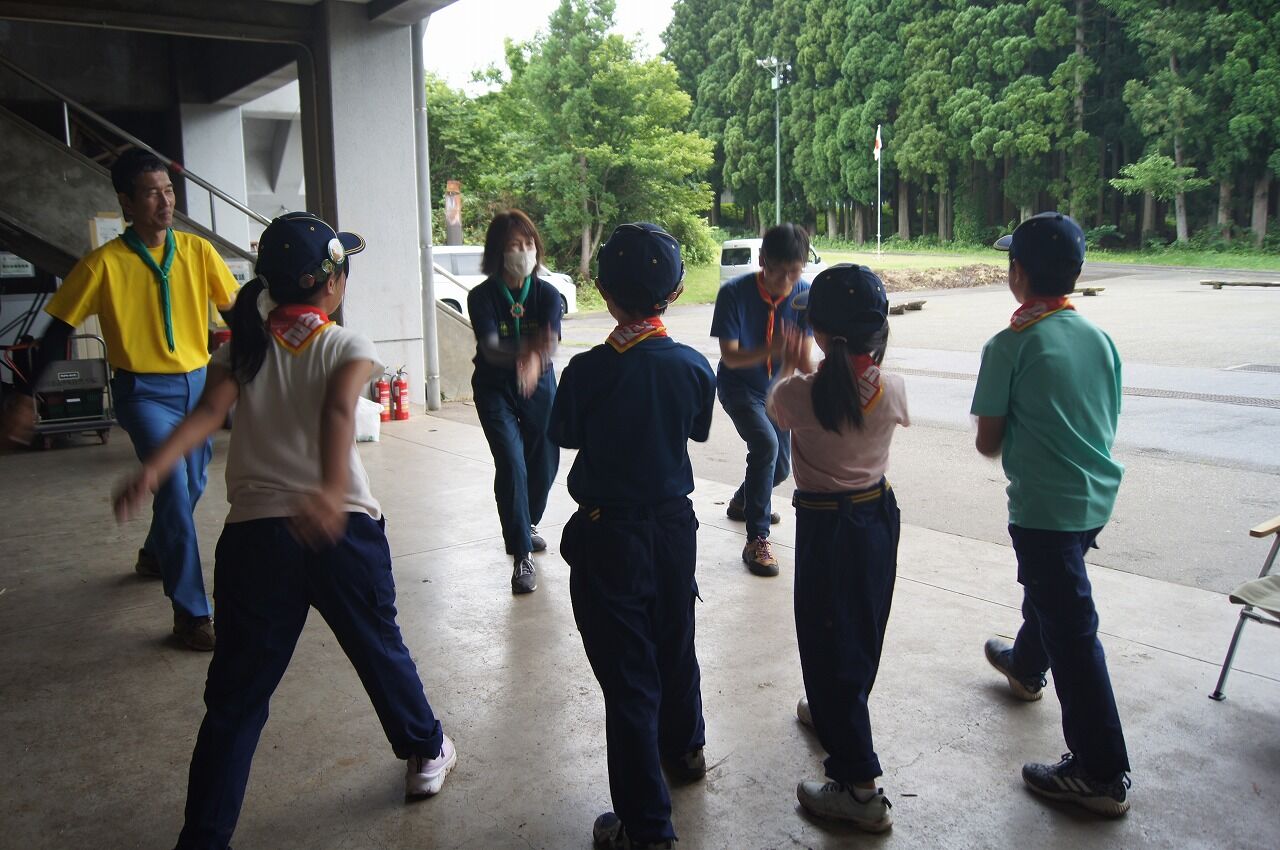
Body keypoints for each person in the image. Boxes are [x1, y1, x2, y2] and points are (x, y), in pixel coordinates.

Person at [113, 212, 456, 848]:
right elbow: (337, 410)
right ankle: (425, 750)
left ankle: (204, 836)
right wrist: (326, 489)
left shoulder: (239, 349)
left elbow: (206, 416)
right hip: (340, 530)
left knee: (236, 699)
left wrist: (154, 468)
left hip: (254, 540)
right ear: (333, 282)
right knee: (377, 649)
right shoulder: (346, 345)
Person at [0, 147, 238, 650]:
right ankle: (192, 613)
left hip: (198, 386)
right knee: (174, 485)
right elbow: (55, 333)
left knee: (192, 484)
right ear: (127, 202)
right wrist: (23, 396)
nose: (165, 202)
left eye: (169, 191)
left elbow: (236, 315)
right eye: (151, 194)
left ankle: (154, 552)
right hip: (144, 393)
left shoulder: (198, 252)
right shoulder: (102, 265)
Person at [550, 223, 715, 850]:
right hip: (673, 528)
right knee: (676, 638)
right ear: (674, 293)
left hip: (609, 536)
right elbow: (696, 430)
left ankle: (646, 828)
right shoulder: (692, 366)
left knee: (628, 678)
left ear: (603, 290)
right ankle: (686, 747)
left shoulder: (587, 371)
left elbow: (566, 435)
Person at [972, 212, 1131, 817]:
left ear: (1017, 274)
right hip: (1095, 499)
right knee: (1052, 590)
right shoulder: (1098, 337)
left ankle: (1100, 772)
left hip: (1044, 510)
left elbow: (988, 442)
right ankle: (1024, 664)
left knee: (1074, 632)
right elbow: (1104, 416)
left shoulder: (1009, 345)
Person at [767, 264, 907, 833]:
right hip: (876, 518)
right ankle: (834, 712)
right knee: (861, 631)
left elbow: (780, 408)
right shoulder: (893, 390)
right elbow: (859, 391)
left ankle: (859, 787)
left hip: (827, 528)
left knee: (827, 643)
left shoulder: (797, 393)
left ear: (819, 333)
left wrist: (791, 358)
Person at [710, 222, 813, 577]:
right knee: (765, 446)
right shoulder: (734, 293)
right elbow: (730, 355)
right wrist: (773, 349)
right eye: (779, 271)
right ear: (762, 260)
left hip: (777, 387)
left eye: (795, 271)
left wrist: (784, 388)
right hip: (738, 386)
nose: (787, 280)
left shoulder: (804, 295)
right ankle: (757, 539)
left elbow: (801, 359)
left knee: (781, 469)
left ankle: (744, 501)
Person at [467, 209, 561, 594]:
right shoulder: (481, 297)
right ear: (497, 252)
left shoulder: (547, 294)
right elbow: (490, 346)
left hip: (539, 383)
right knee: (511, 462)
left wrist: (536, 360)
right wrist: (525, 354)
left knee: (545, 459)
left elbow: (551, 340)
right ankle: (521, 552)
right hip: (495, 386)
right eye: (513, 246)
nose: (523, 252)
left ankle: (528, 521)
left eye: (528, 244)